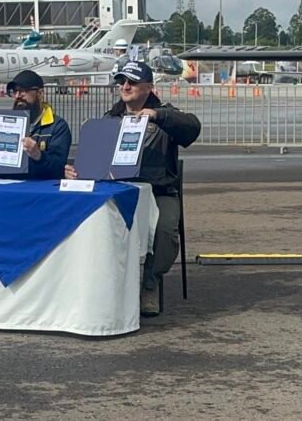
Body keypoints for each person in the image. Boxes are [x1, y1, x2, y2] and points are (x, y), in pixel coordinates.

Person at [65, 61, 201, 317]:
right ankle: (100, 285)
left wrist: (158, 116)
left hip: (159, 190)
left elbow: (192, 128)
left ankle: (150, 283)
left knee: (165, 232)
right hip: (117, 189)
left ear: (149, 87)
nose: (125, 86)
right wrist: (74, 169)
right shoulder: (109, 119)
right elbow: (93, 159)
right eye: (121, 81)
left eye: (132, 82)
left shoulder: (165, 115)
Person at [0, 70, 71, 180]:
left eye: (23, 91)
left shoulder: (57, 126)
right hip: (7, 188)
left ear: (40, 94)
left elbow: (59, 169)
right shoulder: (1, 124)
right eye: (15, 91)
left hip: (40, 189)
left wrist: (38, 155)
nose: (18, 96)